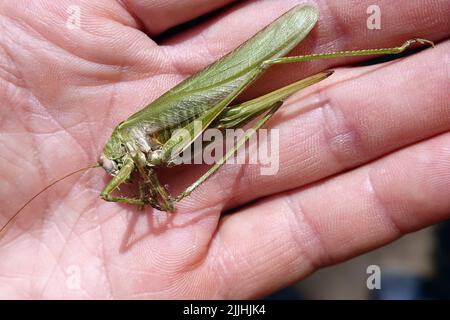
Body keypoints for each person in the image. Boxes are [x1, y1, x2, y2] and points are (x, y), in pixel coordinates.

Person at [0, 0, 449, 299]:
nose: (114, 170)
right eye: (115, 166)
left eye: (113, 162)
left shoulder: (129, 138)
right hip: (210, 129)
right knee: (272, 107)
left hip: (201, 103)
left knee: (267, 66)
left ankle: (395, 47)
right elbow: (116, 186)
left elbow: (138, 157)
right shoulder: (126, 167)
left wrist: (143, 182)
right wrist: (144, 187)